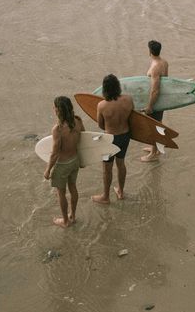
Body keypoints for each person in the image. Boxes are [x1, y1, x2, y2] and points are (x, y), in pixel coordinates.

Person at [91, 74, 133, 204]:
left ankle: (106, 196)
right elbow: (133, 119)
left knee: (107, 168)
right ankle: (120, 191)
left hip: (108, 139)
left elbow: (100, 124)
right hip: (125, 136)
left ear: (105, 89)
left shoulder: (102, 105)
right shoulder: (128, 100)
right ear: (118, 86)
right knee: (121, 164)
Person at [44, 96, 84, 228]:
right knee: (73, 187)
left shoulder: (58, 129)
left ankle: (65, 221)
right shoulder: (77, 121)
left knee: (61, 192)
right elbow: (84, 139)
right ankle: (73, 215)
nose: (53, 109)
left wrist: (48, 169)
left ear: (58, 110)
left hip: (63, 164)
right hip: (75, 161)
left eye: (54, 107)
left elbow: (55, 153)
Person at [141, 40, 168, 162]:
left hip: (155, 101)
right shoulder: (164, 62)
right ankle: (155, 148)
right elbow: (166, 83)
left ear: (150, 51)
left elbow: (155, 90)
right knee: (158, 124)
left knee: (153, 127)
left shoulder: (155, 67)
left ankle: (153, 154)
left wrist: (149, 106)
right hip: (161, 99)